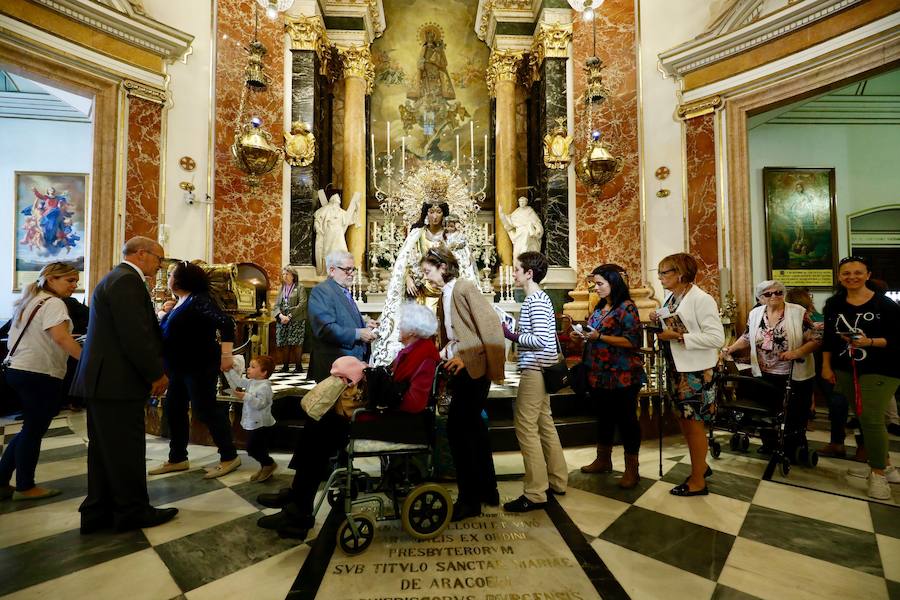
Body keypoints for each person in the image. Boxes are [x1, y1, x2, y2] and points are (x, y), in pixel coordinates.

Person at [255, 302, 437, 538]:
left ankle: (299, 510)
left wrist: (379, 386)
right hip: (389, 418)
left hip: (398, 424)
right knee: (317, 420)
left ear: (412, 330)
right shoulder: (413, 350)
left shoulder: (424, 355)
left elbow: (414, 401)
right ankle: (298, 494)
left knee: (321, 428)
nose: (399, 327)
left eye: (402, 323)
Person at [71, 236, 176, 533]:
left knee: (106, 450)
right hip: (117, 382)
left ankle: (98, 511)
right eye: (158, 259)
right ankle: (131, 511)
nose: (159, 266)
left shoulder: (115, 279)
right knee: (125, 449)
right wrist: (156, 373)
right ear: (142, 254)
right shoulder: (127, 281)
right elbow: (135, 336)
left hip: (106, 381)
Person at [421, 246, 505, 521]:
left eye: (428, 271)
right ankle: (487, 491)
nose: (426, 277)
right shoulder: (447, 293)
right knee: (475, 431)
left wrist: (466, 359)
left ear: (443, 268)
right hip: (465, 368)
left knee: (459, 431)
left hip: (474, 371)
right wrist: (443, 354)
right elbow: (458, 337)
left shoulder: (463, 287)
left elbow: (491, 326)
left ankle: (469, 500)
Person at [148, 261, 239, 479]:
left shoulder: (199, 300)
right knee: (174, 410)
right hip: (178, 368)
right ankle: (177, 458)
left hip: (198, 366)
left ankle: (229, 456)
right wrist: (162, 314)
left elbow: (226, 323)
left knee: (204, 409)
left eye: (171, 274)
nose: (168, 278)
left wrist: (226, 355)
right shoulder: (180, 301)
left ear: (181, 280)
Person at [0, 263, 83, 501]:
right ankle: (26, 486)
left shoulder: (32, 299)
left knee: (30, 428)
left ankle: (2, 479)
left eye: (76, 281)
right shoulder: (54, 303)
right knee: (34, 431)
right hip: (39, 372)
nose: (74, 286)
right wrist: (86, 360)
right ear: (51, 279)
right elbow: (60, 338)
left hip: (19, 369)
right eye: (70, 280)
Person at [822, 257, 900, 499]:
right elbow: (829, 338)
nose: (852, 277)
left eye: (857, 273)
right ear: (840, 277)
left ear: (867, 275)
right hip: (845, 367)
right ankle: (886, 464)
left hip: (881, 368)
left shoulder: (885, 305)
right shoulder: (834, 304)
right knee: (863, 415)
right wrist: (826, 366)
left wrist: (870, 342)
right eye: (846, 273)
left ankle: (877, 474)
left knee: (872, 419)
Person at [650, 253, 724, 497]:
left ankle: (698, 481)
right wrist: (658, 318)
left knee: (694, 425)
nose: (660, 278)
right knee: (685, 421)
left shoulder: (701, 299)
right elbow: (676, 322)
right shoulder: (674, 297)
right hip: (678, 367)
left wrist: (680, 337)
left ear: (680, 273)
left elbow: (717, 338)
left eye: (664, 272)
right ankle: (700, 466)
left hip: (696, 371)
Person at [501, 252, 568, 511]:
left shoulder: (535, 300)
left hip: (536, 370)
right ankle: (557, 480)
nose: (514, 273)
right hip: (542, 368)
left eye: (517, 269)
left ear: (529, 273)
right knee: (544, 423)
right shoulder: (538, 299)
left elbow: (540, 340)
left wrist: (512, 334)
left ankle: (535, 492)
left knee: (525, 427)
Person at [723, 280, 821, 456]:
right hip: (763, 371)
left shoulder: (798, 313)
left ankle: (791, 446)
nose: (774, 296)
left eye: (778, 292)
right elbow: (746, 336)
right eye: (768, 294)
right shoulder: (755, 314)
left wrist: (797, 352)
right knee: (766, 411)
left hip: (793, 372)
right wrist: (730, 348)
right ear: (760, 298)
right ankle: (769, 444)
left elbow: (815, 339)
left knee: (793, 411)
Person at [576, 264, 647, 489]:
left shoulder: (627, 308)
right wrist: (582, 335)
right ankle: (603, 459)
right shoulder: (600, 307)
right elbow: (593, 334)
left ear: (614, 282)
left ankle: (631, 470)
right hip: (598, 372)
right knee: (604, 418)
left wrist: (600, 337)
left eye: (600, 284)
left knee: (627, 420)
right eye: (594, 284)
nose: (595, 288)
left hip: (622, 373)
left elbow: (632, 341)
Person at [306, 251, 377, 383]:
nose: (352, 274)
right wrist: (358, 334)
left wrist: (365, 326)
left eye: (353, 269)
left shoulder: (342, 290)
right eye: (347, 270)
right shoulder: (322, 291)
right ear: (332, 270)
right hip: (335, 365)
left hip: (351, 365)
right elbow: (324, 328)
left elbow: (344, 320)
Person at [224, 355, 277, 482]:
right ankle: (266, 466)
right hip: (253, 422)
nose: (248, 369)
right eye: (249, 366)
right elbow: (238, 382)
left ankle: (269, 464)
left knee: (252, 448)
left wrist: (245, 396)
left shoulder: (264, 387)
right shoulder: (252, 382)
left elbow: (260, 404)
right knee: (258, 448)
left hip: (262, 425)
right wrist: (228, 370)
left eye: (253, 367)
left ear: (264, 373)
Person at [313, 190, 360, 275]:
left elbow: (349, 219)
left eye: (338, 202)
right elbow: (318, 219)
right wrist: (318, 228)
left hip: (339, 235)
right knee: (328, 251)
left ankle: (342, 270)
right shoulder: (325, 210)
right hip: (329, 234)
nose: (337, 204)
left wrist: (357, 208)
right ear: (332, 201)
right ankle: (328, 271)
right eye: (336, 201)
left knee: (342, 250)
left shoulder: (341, 212)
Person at [274, 266, 307, 374]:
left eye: (287, 274)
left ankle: (298, 366)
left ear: (293, 276)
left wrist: (290, 316)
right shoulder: (281, 288)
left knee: (296, 343)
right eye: (283, 274)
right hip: (282, 320)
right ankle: (285, 366)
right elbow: (276, 305)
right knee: (285, 343)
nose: (285, 276)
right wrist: (280, 316)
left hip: (296, 319)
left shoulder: (300, 287)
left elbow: (302, 304)